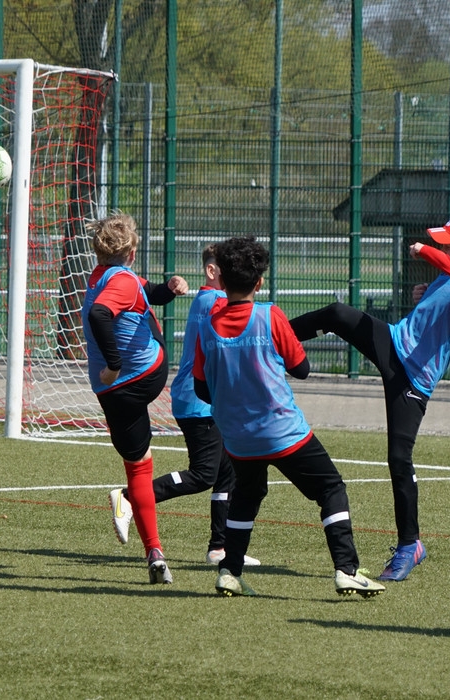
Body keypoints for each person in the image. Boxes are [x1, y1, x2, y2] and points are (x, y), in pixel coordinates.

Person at [289, 214, 450, 581]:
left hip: (414, 378)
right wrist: (425, 296)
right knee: (337, 314)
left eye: (447, 243)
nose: (442, 246)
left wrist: (426, 252)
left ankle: (410, 546)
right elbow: (441, 303)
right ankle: (274, 338)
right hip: (395, 343)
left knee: (399, 459)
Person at [191, 235, 385, 599]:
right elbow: (302, 369)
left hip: (237, 437)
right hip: (282, 430)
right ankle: (347, 570)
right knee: (331, 488)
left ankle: (230, 572)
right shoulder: (270, 315)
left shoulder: (208, 325)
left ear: (222, 280)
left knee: (247, 494)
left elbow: (202, 388)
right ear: (259, 281)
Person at [109, 244, 260, 567]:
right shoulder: (212, 299)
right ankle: (130, 496)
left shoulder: (212, 299)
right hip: (197, 400)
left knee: (227, 474)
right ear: (211, 271)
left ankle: (220, 548)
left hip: (211, 400)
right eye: (230, 269)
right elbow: (246, 319)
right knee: (204, 474)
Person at [82, 211, 188, 584]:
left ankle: (154, 552)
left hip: (113, 393)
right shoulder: (123, 282)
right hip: (138, 379)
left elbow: (147, 292)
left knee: (139, 465)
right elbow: (100, 315)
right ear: (132, 253)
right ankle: (131, 509)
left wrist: (168, 289)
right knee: (143, 464)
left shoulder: (102, 276)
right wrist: (114, 364)